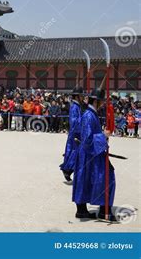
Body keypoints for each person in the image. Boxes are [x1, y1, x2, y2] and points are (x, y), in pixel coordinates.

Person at [72, 88, 117, 221]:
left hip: (91, 152)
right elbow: (87, 139)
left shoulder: (91, 114)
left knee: (85, 179)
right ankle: (103, 210)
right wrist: (103, 136)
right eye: (102, 102)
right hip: (89, 153)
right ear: (96, 101)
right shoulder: (88, 115)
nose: (103, 104)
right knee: (106, 177)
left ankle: (83, 210)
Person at [60, 87, 83, 182]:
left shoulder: (77, 106)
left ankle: (68, 171)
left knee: (75, 153)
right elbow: (74, 122)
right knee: (75, 153)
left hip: (76, 133)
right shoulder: (74, 107)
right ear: (77, 96)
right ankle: (67, 170)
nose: (82, 97)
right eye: (81, 96)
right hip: (75, 134)